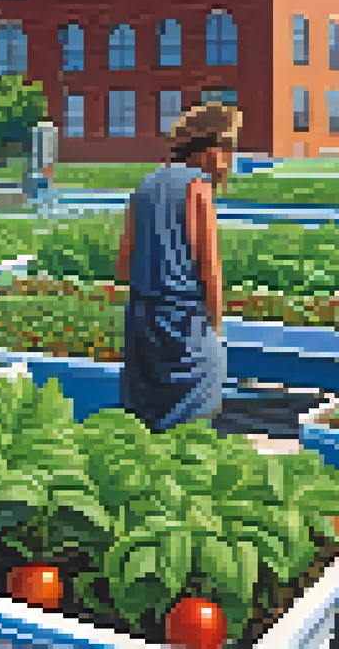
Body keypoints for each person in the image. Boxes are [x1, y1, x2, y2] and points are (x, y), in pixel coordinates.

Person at [116, 103, 238, 433]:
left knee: (146, 413)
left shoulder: (144, 186)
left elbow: (123, 264)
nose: (228, 161)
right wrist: (216, 329)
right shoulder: (198, 187)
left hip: (142, 318)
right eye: (226, 150)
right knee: (195, 408)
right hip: (183, 318)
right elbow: (208, 265)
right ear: (209, 150)